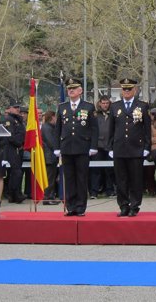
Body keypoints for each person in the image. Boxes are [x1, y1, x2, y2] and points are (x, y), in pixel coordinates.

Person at [55, 78, 98, 216]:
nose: (71, 91)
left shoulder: (88, 107)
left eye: (74, 88)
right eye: (69, 88)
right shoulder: (62, 107)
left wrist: (93, 146)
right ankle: (71, 206)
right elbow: (58, 129)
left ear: (80, 90)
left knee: (81, 178)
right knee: (69, 178)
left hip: (82, 147)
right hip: (67, 147)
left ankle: (80, 207)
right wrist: (57, 147)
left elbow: (94, 129)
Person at [108, 78, 151, 217]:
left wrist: (146, 146)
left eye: (129, 89)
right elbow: (111, 129)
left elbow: (146, 129)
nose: (126, 92)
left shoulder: (142, 106)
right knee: (121, 180)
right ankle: (123, 205)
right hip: (119, 148)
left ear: (135, 90)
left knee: (135, 179)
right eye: (124, 89)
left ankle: (135, 205)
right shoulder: (115, 106)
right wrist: (110, 147)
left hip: (135, 148)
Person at [0, 104, 27, 204]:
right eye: (15, 108)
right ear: (10, 109)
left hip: (18, 149)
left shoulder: (18, 120)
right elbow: (9, 135)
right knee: (16, 172)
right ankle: (15, 194)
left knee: (16, 173)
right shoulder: (8, 120)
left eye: (18, 108)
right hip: (12, 148)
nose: (17, 109)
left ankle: (14, 194)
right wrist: (19, 142)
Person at [90, 95, 115, 198]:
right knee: (96, 171)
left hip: (109, 147)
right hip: (98, 146)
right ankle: (94, 192)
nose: (105, 105)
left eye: (107, 103)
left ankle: (110, 191)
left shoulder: (112, 115)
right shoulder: (95, 115)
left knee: (109, 170)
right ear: (99, 103)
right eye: (103, 103)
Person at [41, 110, 60, 205]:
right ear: (52, 117)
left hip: (51, 156)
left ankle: (50, 196)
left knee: (52, 178)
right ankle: (47, 197)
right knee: (49, 178)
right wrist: (58, 148)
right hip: (49, 156)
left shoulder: (50, 127)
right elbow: (51, 142)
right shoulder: (46, 128)